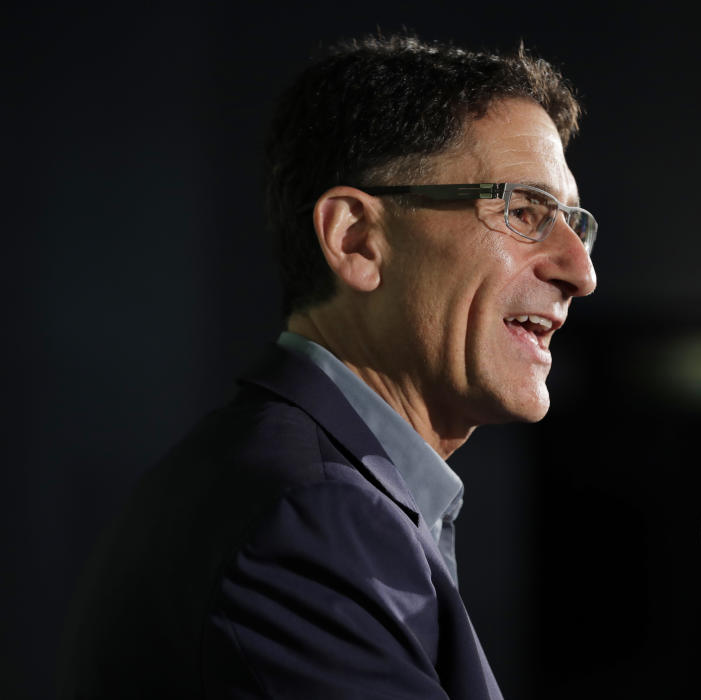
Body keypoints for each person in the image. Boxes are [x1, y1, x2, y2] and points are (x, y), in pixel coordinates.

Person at [58, 34, 597, 699]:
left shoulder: (292, 487)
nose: (582, 271)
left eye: (575, 223)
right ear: (356, 239)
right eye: (524, 211)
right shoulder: (310, 521)